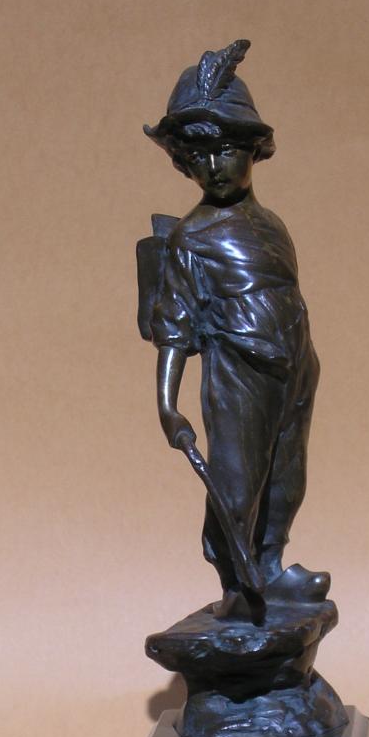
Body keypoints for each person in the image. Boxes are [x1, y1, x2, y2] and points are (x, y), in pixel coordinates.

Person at [142, 40, 329, 616]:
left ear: (253, 149)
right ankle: (235, 583)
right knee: (237, 480)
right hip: (239, 369)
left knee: (286, 474)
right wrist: (167, 403)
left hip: (293, 363)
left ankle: (270, 567)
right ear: (183, 162)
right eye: (198, 156)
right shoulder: (190, 237)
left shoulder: (271, 224)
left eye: (225, 150)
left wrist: (304, 361)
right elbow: (175, 325)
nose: (213, 166)